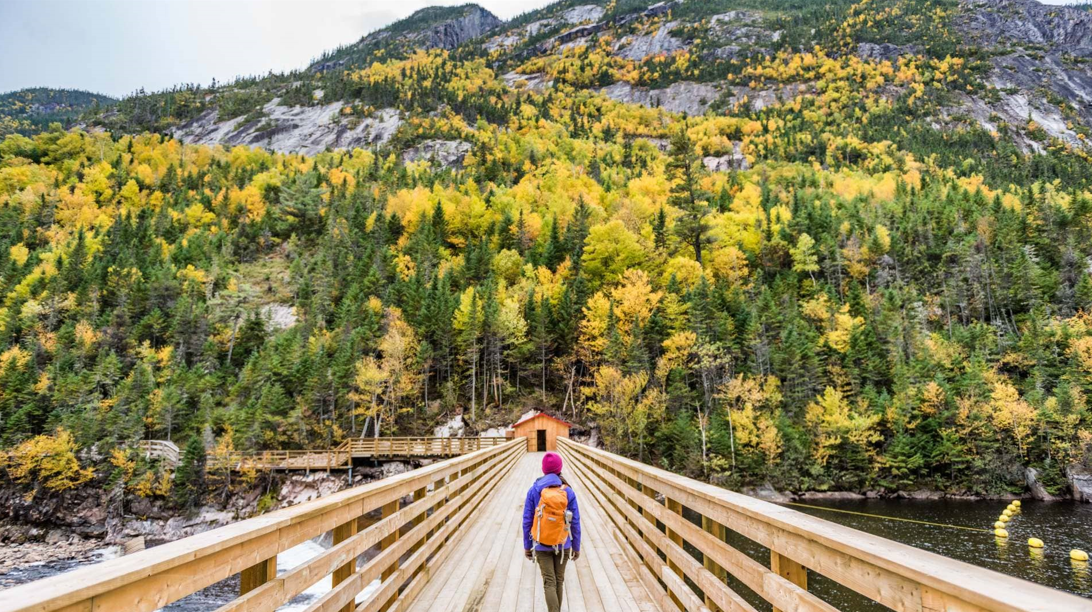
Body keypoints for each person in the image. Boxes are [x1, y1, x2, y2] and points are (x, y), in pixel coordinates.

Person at [523, 451, 581, 612]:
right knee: (559, 581)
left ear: (543, 469)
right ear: (559, 469)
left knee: (549, 581)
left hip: (541, 543)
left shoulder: (534, 490)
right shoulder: (567, 491)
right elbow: (575, 521)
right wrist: (576, 546)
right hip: (563, 543)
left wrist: (527, 546)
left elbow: (527, 520)